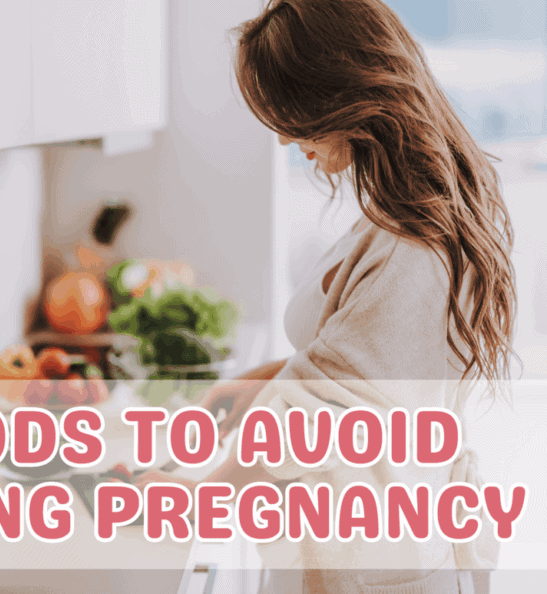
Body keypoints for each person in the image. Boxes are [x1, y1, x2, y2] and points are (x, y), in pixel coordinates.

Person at [134, 1, 518, 593]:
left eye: (290, 116)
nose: (287, 138)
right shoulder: (403, 212)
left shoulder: (412, 251)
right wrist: (261, 379)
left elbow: (318, 416)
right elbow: (347, 362)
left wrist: (198, 494)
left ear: (341, 97)